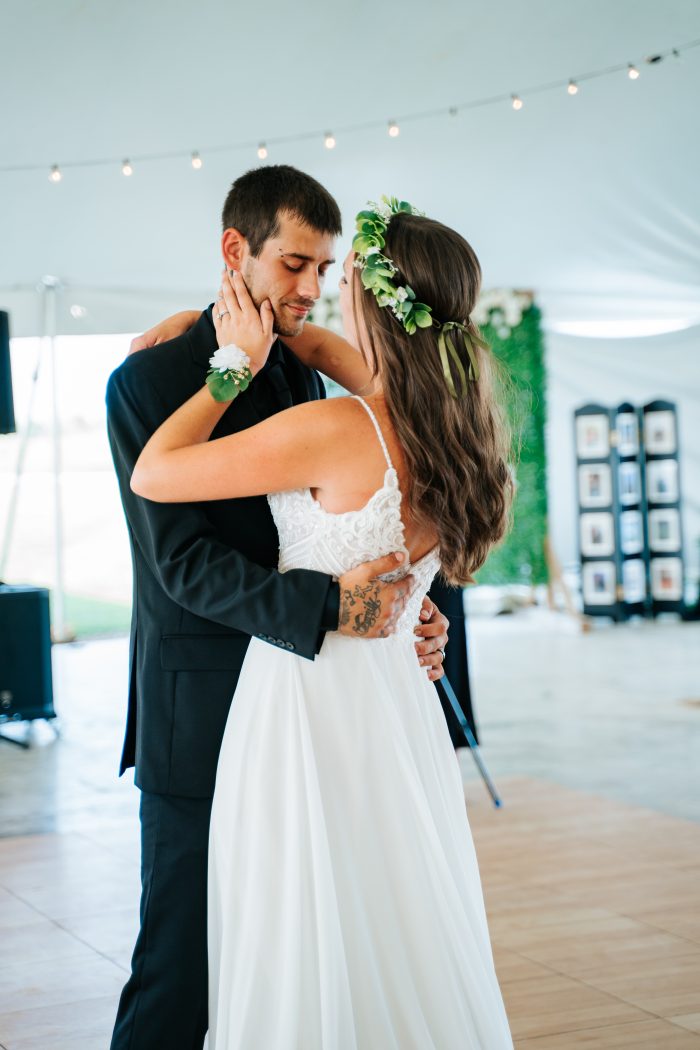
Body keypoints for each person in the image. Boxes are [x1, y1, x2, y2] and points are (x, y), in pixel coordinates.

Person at [131, 193, 514, 1047]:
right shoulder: (454, 425)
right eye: (300, 269)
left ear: (371, 307)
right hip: (393, 707)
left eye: (336, 280)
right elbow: (330, 349)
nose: (319, 294)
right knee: (391, 915)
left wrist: (227, 367)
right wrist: (202, 319)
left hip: (304, 704)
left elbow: (156, 474)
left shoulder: (336, 424)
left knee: (295, 928)